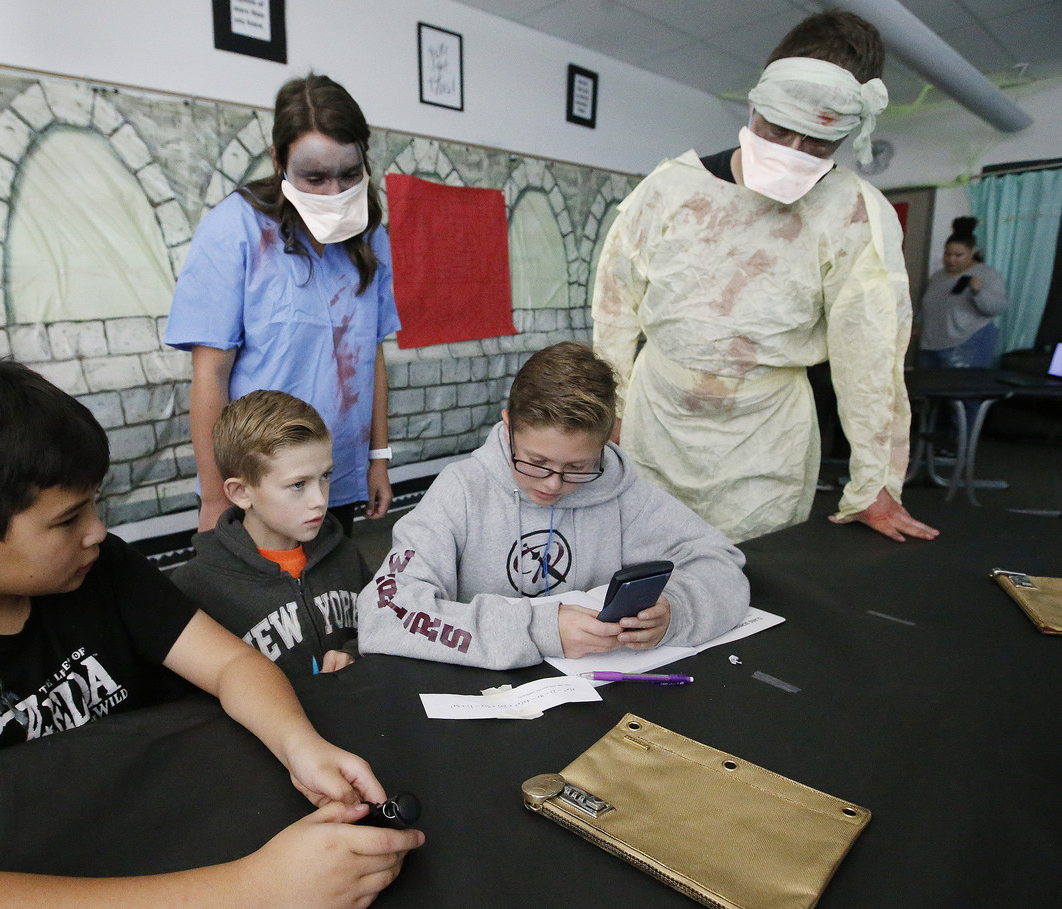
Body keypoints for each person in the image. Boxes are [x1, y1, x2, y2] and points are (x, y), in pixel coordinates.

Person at [0, 360, 422, 909]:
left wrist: (300, 747)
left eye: (94, 506)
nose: (97, 532)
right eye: (69, 518)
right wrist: (253, 891)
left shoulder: (101, 570)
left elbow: (232, 666)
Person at [591, 11, 939, 545]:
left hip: (766, 436)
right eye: (778, 130)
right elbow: (615, 309)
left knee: (756, 585)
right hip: (656, 419)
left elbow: (870, 354)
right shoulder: (671, 188)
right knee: (640, 566)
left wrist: (876, 481)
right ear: (755, 105)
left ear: (849, 133)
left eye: (818, 143)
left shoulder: (853, 212)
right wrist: (607, 411)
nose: (791, 153)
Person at [356, 342, 749, 670]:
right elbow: (383, 610)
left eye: (578, 466)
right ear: (508, 427)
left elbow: (721, 566)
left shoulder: (624, 493)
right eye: (536, 462)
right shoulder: (462, 491)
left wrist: (674, 613)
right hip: (484, 697)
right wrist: (538, 629)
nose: (553, 484)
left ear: (608, 439)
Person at [166, 74, 399, 535]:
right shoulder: (234, 229)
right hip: (261, 483)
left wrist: (377, 459)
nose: (335, 194)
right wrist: (216, 499)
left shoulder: (370, 236)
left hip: (334, 475)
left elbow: (370, 354)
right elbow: (210, 373)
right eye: (314, 177)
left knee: (330, 596)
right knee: (263, 604)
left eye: (350, 174)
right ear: (279, 161)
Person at [168, 390, 371, 678]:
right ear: (241, 493)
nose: (320, 500)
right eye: (298, 484)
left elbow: (381, 621)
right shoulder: (198, 586)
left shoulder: (344, 554)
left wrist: (353, 652)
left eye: (325, 476)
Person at [920, 216, 1009, 368]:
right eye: (947, 254)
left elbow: (999, 307)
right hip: (930, 346)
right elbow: (930, 305)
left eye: (958, 255)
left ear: (972, 251)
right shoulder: (937, 276)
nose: (951, 260)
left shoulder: (986, 274)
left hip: (966, 345)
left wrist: (977, 292)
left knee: (958, 390)